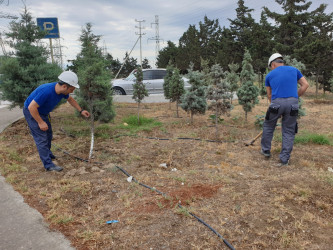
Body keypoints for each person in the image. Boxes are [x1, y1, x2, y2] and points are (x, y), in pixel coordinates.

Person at [23, 71, 90, 172]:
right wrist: (40, 122)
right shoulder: (46, 91)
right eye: (71, 89)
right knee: (41, 138)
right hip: (32, 112)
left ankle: (48, 154)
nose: (71, 92)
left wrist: (81, 110)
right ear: (64, 86)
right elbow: (31, 107)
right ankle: (48, 165)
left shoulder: (62, 92)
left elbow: (71, 100)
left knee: (49, 134)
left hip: (43, 112)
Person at [260, 53, 309, 166]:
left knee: (268, 126)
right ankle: (284, 159)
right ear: (281, 62)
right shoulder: (294, 70)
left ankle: (266, 150)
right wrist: (294, 97)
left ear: (272, 64)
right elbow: (305, 85)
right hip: (293, 104)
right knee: (288, 130)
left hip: (276, 103)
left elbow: (269, 95)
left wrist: (277, 107)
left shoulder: (269, 76)